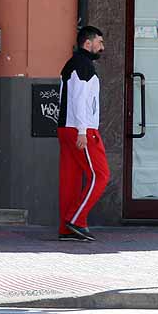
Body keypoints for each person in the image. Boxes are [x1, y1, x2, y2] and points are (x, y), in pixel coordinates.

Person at [56, 25, 109, 242]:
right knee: (100, 175)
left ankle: (66, 229)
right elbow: (79, 100)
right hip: (80, 129)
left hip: (67, 128)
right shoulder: (83, 65)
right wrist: (82, 131)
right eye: (100, 42)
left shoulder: (73, 64)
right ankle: (76, 221)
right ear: (88, 43)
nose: (102, 46)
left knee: (71, 179)